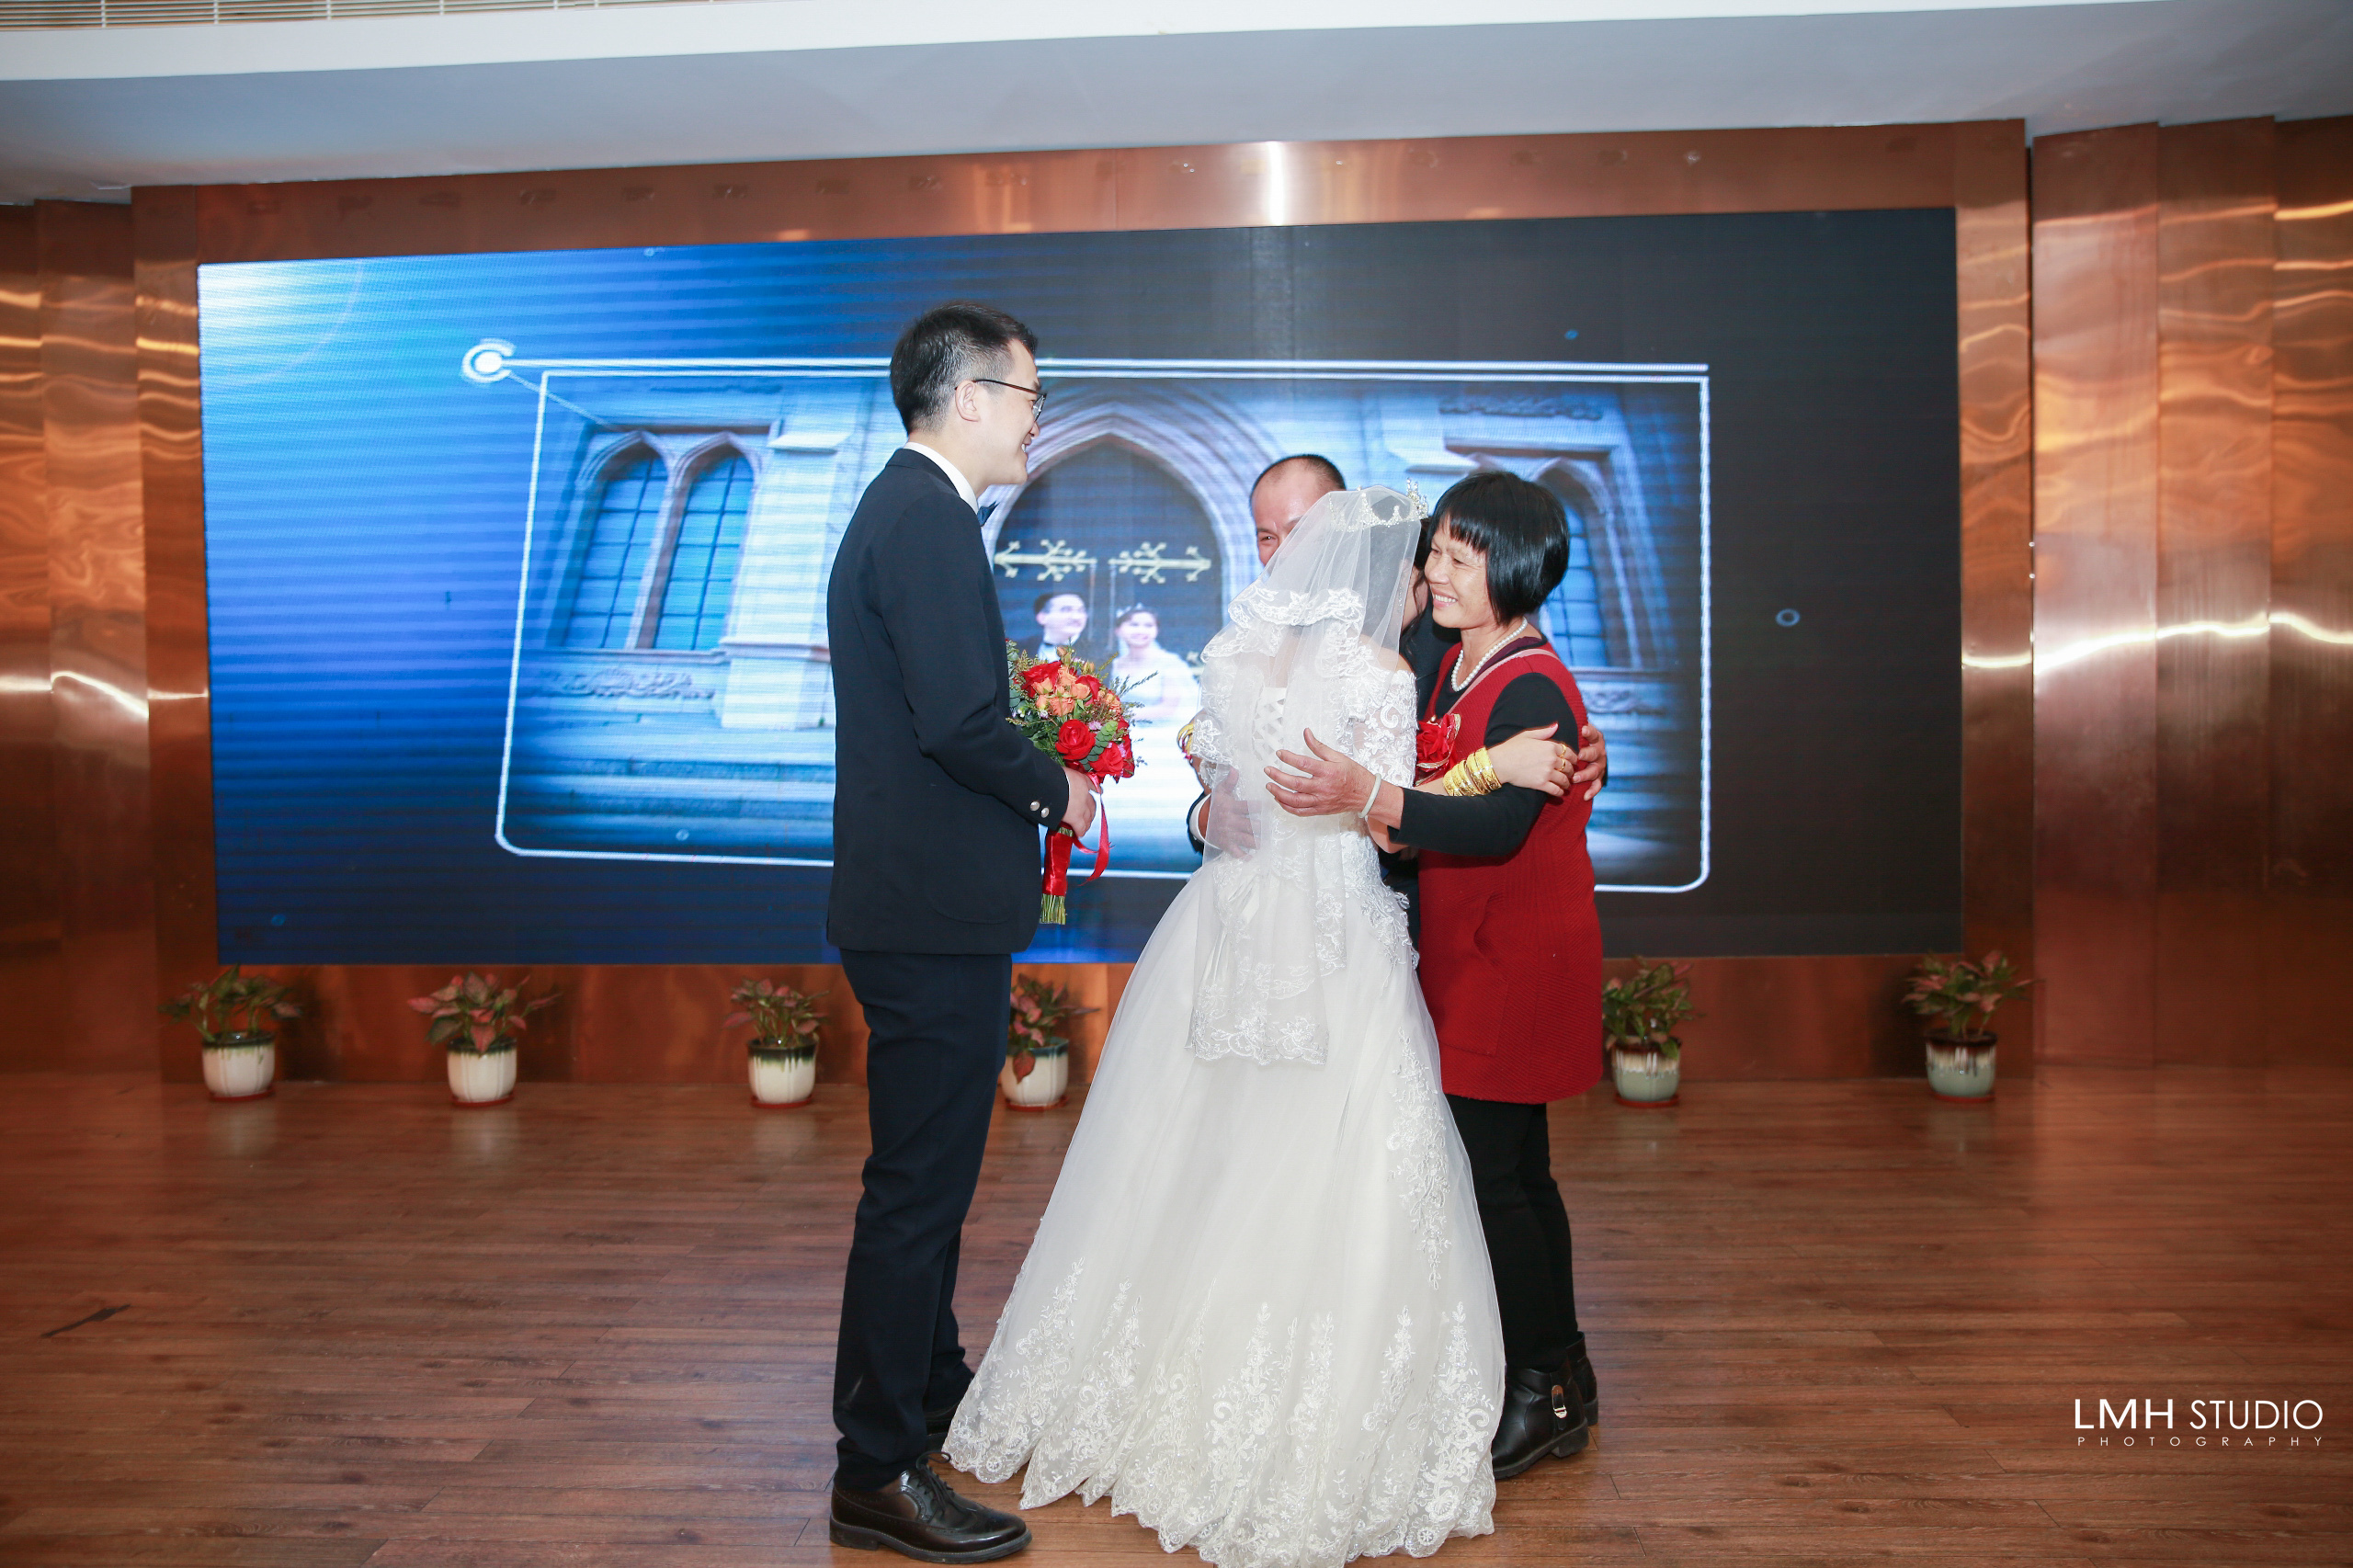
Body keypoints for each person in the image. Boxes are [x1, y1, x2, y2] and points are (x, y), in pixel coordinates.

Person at [945, 487, 1505, 1568]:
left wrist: (1225, 803)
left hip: (1227, 923)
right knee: (1327, 1162)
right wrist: (1478, 774)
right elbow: (1384, 823)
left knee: (1193, 1156)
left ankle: (1142, 1387)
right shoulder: (1382, 672)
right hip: (1331, 933)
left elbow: (1226, 773)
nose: (1421, 579)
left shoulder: (1232, 654)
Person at [824, 301, 1097, 1562]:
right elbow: (955, 723)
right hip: (928, 914)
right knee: (915, 1193)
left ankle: (932, 1397)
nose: (1038, 418)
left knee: (927, 1184)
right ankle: (875, 1469)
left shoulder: (911, 509)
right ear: (971, 395)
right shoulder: (926, 518)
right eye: (1032, 395)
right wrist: (1060, 787)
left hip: (921, 906)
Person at [1264, 472, 1605, 1480]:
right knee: (1519, 1171)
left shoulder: (1530, 683)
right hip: (1473, 949)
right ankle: (1563, 1376)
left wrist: (1374, 795)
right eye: (1436, 554)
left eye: (1459, 557)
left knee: (1494, 1180)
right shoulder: (1454, 661)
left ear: (1514, 567)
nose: (1435, 573)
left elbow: (1498, 828)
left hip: (1513, 957)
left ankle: (1538, 1388)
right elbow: (1447, 792)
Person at [1181, 455, 1607, 849]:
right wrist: (1204, 818)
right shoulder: (1265, 633)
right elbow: (1224, 766)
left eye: (1304, 530)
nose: (1288, 552)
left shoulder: (1455, 631)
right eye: (1268, 536)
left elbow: (1525, 724)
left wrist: (1573, 750)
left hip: (1411, 879)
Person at [1107, 604, 1200, 722]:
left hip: (1160, 728)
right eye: (1134, 625)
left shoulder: (1169, 663)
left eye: (1148, 625)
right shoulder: (1112, 664)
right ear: (1118, 630)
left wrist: (1120, 715)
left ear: (1156, 631)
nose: (1141, 631)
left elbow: (1168, 708)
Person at [1022, 589, 1089, 659]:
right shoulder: (1022, 647)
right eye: (1066, 610)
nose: (1076, 617)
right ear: (1042, 617)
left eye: (1081, 611)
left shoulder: (1094, 650)